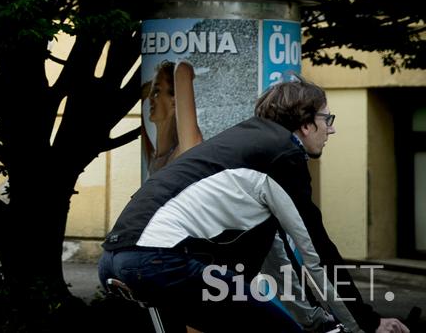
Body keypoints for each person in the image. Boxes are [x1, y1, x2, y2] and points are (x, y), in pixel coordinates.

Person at [99, 75, 408, 333]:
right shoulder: (282, 154)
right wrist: (367, 324)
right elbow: (316, 252)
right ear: (305, 124)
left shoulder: (244, 146)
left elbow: (275, 257)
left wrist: (318, 323)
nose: (332, 129)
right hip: (159, 262)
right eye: (326, 119)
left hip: (116, 260)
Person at [142, 60, 203, 174]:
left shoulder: (183, 151)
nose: (150, 98)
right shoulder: (154, 160)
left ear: (175, 102)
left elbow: (182, 70)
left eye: (156, 91)